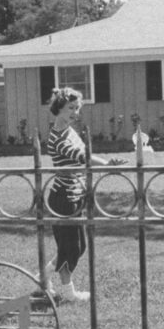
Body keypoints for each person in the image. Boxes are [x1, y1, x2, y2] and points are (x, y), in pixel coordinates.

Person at [42, 87, 125, 302]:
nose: (75, 112)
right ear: (58, 108)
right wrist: (107, 164)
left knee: (77, 247)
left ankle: (42, 277)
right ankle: (69, 293)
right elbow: (81, 157)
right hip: (63, 197)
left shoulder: (69, 131)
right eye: (71, 108)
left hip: (74, 195)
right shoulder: (58, 138)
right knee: (71, 247)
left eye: (77, 108)